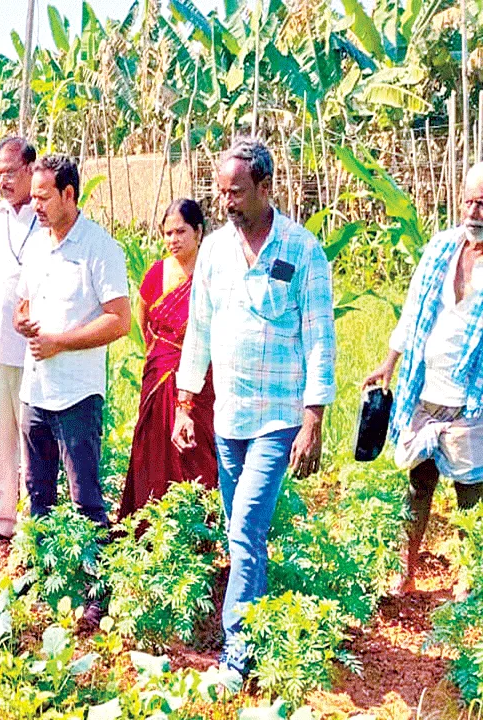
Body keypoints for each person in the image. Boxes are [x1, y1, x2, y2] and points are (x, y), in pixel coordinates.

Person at [174, 137, 336, 678]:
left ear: (266, 187)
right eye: (222, 192)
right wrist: (184, 400)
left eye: (238, 192)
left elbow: (319, 337)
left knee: (244, 525)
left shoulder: (302, 249)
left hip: (279, 419)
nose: (228, 202)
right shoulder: (215, 251)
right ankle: (260, 626)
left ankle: (236, 651)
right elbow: (198, 327)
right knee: (242, 530)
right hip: (228, 418)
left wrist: (313, 417)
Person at [13, 154, 130, 623]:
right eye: (33, 196)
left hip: (78, 393)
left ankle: (96, 591)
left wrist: (60, 342)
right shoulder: (37, 245)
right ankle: (45, 578)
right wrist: (23, 320)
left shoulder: (101, 248)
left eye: (43, 196)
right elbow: (23, 303)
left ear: (69, 194)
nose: (35, 204)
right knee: (37, 492)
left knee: (85, 498)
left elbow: (120, 320)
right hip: (35, 389)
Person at [364, 161, 483, 600]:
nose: (474, 211)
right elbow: (413, 311)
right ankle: (406, 572)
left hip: (472, 400)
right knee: (418, 486)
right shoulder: (440, 248)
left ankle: (468, 579)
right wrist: (387, 364)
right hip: (423, 390)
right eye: (469, 201)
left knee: (471, 496)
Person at [120, 199, 218, 520]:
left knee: (197, 446)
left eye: (180, 231)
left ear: (199, 232)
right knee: (153, 444)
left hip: (202, 374)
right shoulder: (158, 272)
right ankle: (149, 522)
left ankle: (197, 526)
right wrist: (155, 351)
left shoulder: (212, 273)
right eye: (167, 233)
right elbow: (143, 310)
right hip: (160, 367)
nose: (173, 239)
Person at [0, 137, 44, 551]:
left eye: (11, 172)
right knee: (0, 435)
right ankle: (2, 518)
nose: (3, 180)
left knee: (33, 436)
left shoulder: (44, 215)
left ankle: (35, 520)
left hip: (34, 350)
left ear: (32, 170)